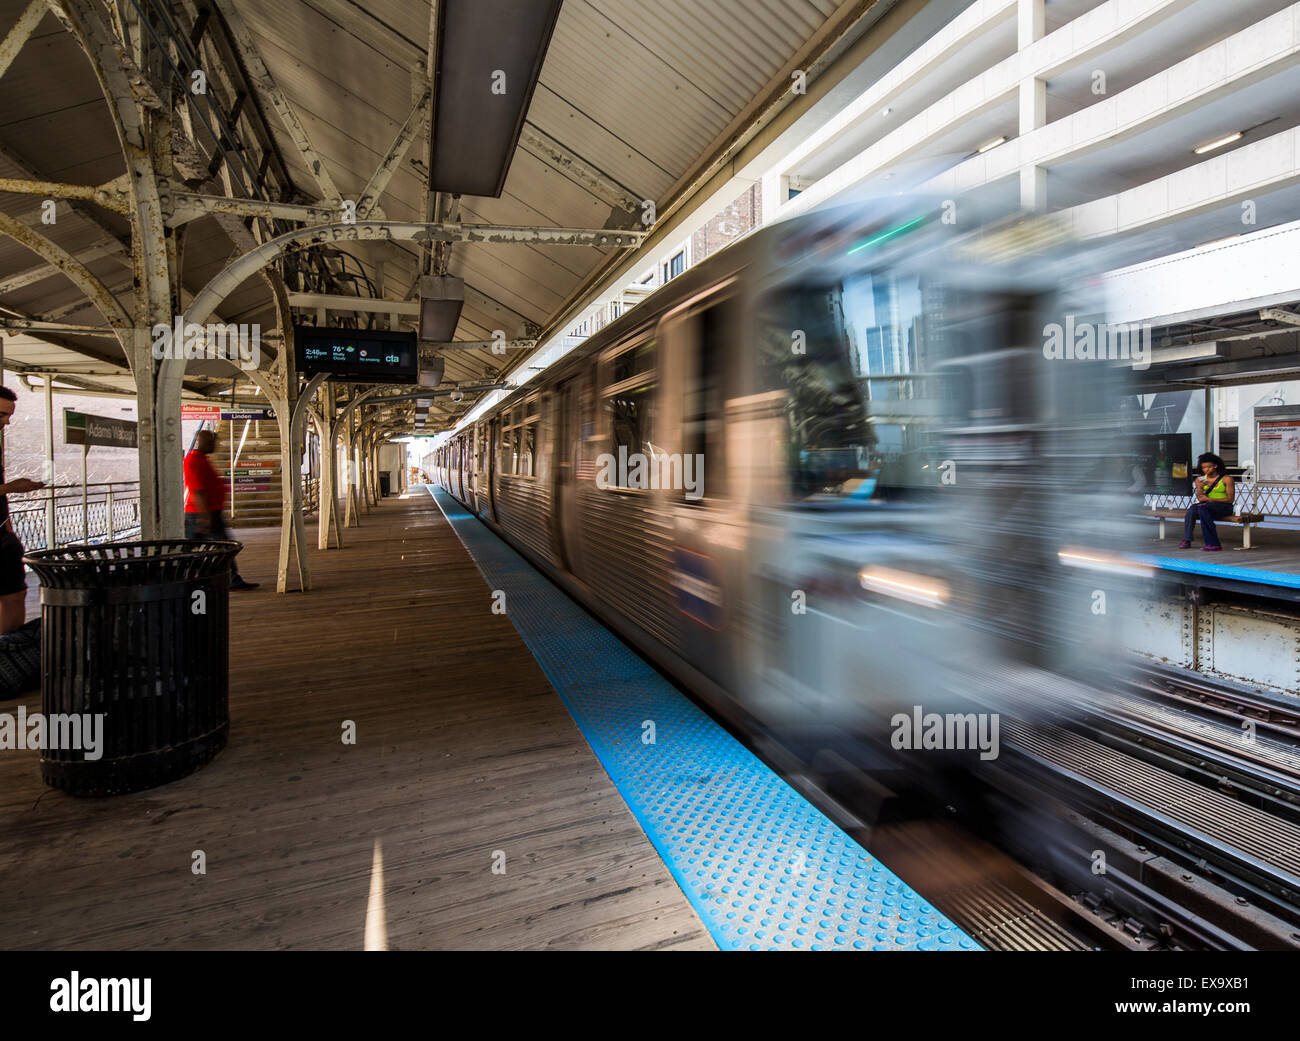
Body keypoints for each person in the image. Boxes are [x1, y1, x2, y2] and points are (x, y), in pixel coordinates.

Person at [184, 428, 259, 590]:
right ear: (201, 442)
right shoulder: (193, 461)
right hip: (201, 514)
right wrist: (205, 517)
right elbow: (198, 491)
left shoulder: (201, 459)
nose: (215, 445)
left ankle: (203, 577)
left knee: (204, 547)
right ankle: (229, 579)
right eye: (211, 442)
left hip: (207, 512)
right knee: (224, 547)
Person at [0, 387, 46, 632]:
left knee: (14, 593)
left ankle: (10, 648)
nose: (7, 421)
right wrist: (11, 487)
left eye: (9, 415)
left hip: (2, 536)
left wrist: (7, 529)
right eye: (1, 415)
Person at [1180, 452, 1234, 552]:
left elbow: (1230, 499)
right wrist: (1203, 488)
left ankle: (1213, 543)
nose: (1206, 469)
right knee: (1193, 509)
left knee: (1203, 509)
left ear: (1215, 466)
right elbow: (1201, 497)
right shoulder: (1200, 480)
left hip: (1224, 507)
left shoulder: (1226, 479)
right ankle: (1187, 539)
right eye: (1204, 467)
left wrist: (1210, 499)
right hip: (1207, 506)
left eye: (1209, 467)